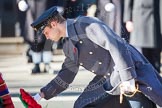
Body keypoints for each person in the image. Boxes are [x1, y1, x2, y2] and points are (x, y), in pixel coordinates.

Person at [28, 6, 162, 108]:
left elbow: (117, 45)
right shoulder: (68, 45)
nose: (46, 37)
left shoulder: (86, 24)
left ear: (53, 24)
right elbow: (66, 74)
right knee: (82, 105)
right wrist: (42, 94)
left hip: (131, 72)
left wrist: (128, 78)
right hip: (108, 80)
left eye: (46, 32)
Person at [123, 0, 162, 73]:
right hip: (139, 18)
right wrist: (128, 19)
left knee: (155, 55)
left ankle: (156, 80)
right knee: (139, 55)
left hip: (156, 19)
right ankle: (142, 81)